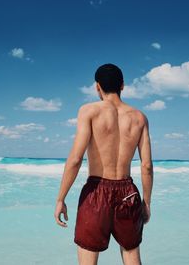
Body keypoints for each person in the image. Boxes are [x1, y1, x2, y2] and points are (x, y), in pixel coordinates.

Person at [54, 63, 153, 265]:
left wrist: (60, 199)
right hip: (128, 193)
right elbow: (147, 166)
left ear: (97, 86)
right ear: (123, 86)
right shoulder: (139, 118)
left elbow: (75, 159)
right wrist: (146, 202)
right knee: (131, 255)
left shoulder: (89, 111)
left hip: (96, 191)